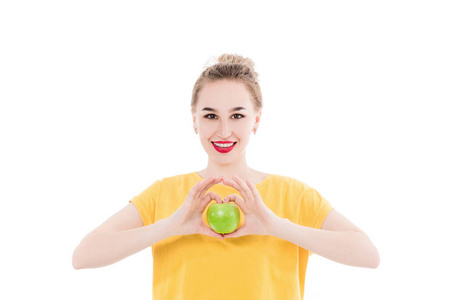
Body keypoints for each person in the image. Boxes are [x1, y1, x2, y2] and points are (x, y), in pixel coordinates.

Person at [72, 54, 380, 299]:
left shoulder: (293, 195)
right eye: (210, 116)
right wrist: (171, 225)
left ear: (255, 120)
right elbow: (84, 255)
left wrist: (276, 226)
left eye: (237, 115)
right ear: (194, 120)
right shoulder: (165, 193)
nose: (223, 131)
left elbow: (368, 254)